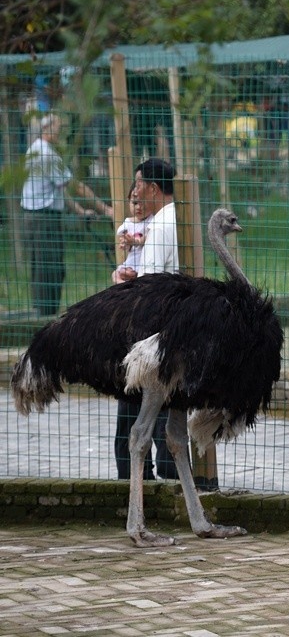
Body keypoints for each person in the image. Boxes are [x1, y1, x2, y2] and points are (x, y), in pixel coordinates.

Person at [114, 158, 179, 481]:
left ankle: (134, 477)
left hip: (150, 329)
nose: (134, 191)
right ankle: (158, 475)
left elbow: (151, 285)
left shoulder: (163, 225)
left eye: (139, 184)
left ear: (153, 188)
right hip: (167, 327)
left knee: (135, 403)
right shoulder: (169, 220)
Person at [21, 114, 112, 315]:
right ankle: (46, 318)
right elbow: (75, 186)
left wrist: (80, 211)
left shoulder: (34, 150)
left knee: (44, 269)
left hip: (35, 217)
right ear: (48, 128)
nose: (62, 132)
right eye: (59, 127)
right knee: (50, 271)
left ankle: (44, 314)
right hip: (44, 219)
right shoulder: (47, 155)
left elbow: (58, 190)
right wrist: (105, 209)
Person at [112, 184, 151, 285]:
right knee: (115, 274)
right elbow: (125, 243)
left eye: (144, 203)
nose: (139, 207)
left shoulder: (152, 220)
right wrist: (125, 243)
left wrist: (135, 241)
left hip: (144, 262)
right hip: (131, 261)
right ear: (128, 201)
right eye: (135, 203)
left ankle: (128, 284)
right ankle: (123, 285)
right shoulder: (128, 223)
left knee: (132, 274)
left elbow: (150, 237)